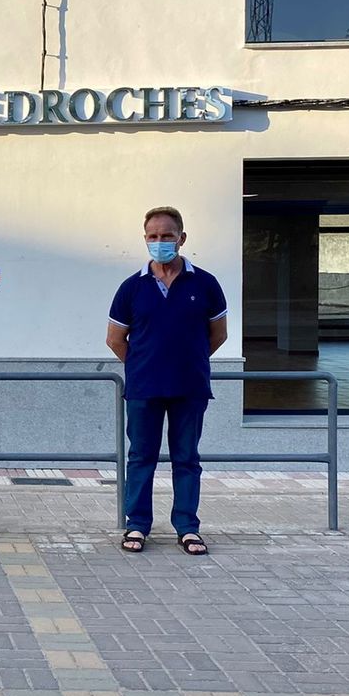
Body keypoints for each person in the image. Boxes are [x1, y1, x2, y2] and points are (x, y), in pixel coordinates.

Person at [104, 206, 229, 556]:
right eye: (153, 237)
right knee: (141, 457)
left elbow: (217, 334)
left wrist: (189, 361)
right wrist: (145, 365)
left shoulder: (205, 284)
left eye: (167, 236)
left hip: (190, 387)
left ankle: (188, 527)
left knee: (186, 458)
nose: (160, 242)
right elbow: (115, 339)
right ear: (145, 239)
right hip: (144, 389)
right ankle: (137, 525)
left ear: (181, 238)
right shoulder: (132, 288)